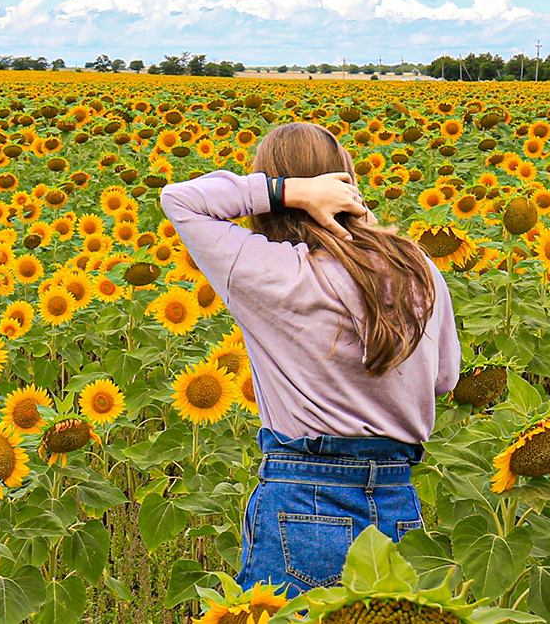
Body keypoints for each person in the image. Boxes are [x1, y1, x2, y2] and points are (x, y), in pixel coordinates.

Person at [159, 121, 461, 598]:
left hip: (303, 496)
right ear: (345, 178)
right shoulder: (417, 266)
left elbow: (179, 199)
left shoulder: (269, 271)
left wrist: (288, 190)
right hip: (397, 497)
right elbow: (443, 379)